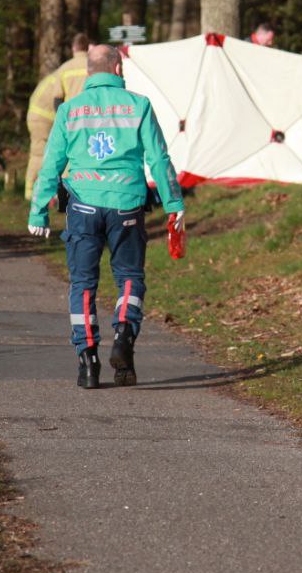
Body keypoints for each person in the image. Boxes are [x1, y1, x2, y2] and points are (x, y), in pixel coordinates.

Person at [27, 44, 184, 390]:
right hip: (127, 204)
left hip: (82, 206)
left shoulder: (70, 110)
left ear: (88, 73)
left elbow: (50, 164)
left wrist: (38, 210)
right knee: (129, 276)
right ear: (117, 69)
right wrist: (174, 206)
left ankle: (88, 362)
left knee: (83, 284)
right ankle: (125, 332)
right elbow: (159, 159)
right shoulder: (139, 105)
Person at [25, 33, 91, 200]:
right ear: (88, 47)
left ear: (73, 48)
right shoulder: (94, 66)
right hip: (85, 117)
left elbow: (57, 98)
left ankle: (34, 193)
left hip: (54, 116)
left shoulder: (64, 69)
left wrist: (61, 121)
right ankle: (65, 194)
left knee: (43, 155)